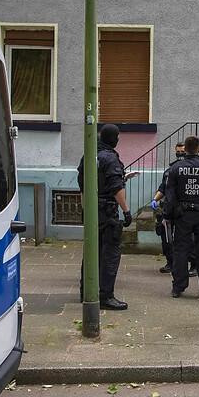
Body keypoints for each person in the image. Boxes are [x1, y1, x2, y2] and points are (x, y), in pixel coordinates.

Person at [77, 124, 133, 310]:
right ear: (113, 138)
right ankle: (105, 296)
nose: (118, 139)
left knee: (92, 251)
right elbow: (116, 188)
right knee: (110, 254)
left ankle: (86, 290)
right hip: (108, 212)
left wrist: (86, 211)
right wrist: (126, 211)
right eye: (117, 136)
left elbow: (83, 187)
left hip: (92, 211)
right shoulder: (110, 158)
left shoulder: (88, 156)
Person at [163, 135, 199, 299]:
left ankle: (178, 287)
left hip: (182, 215)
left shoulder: (176, 168)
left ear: (186, 150)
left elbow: (170, 195)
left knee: (180, 250)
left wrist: (166, 215)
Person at [152, 142, 197, 277]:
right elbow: (163, 188)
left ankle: (194, 265)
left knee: (190, 238)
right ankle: (170, 263)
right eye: (178, 152)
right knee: (166, 236)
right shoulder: (170, 170)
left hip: (185, 209)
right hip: (170, 208)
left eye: (183, 151)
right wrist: (155, 199)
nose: (180, 154)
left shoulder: (192, 169)